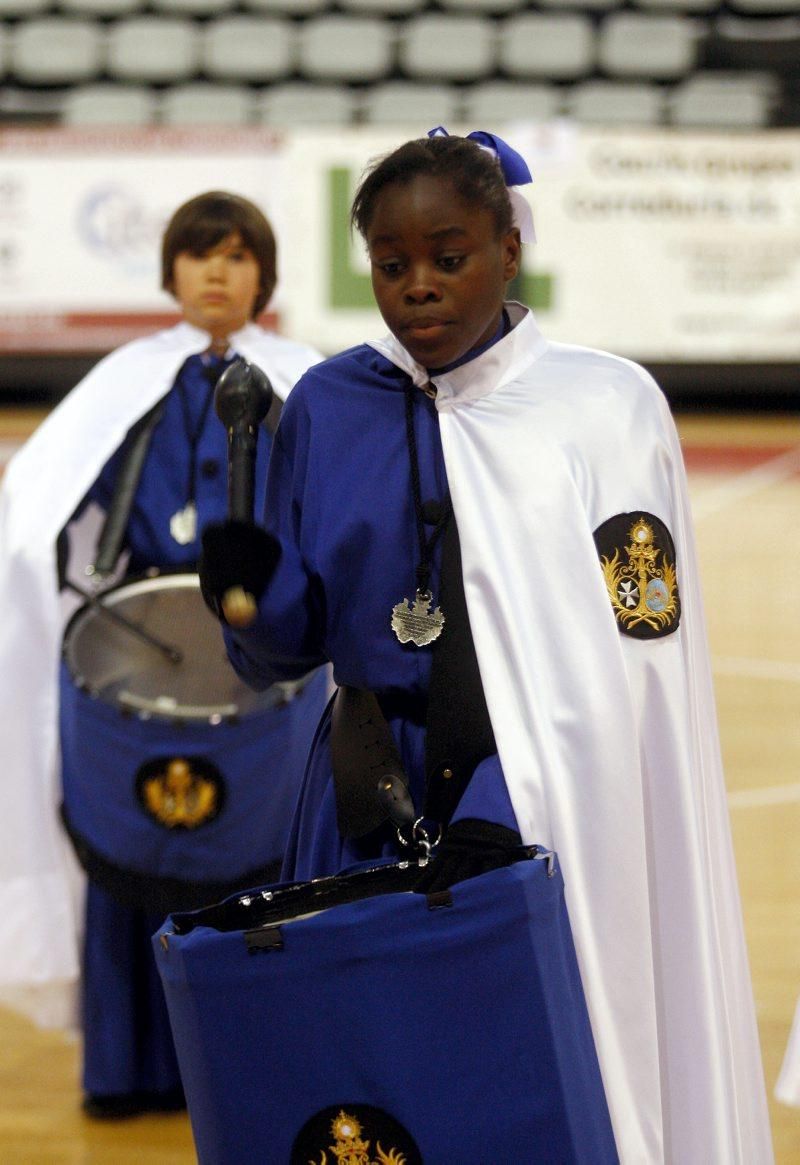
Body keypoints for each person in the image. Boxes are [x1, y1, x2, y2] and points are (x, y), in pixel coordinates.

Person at [199, 134, 773, 1161]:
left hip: (535, 807)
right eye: (389, 262)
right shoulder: (329, 407)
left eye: (448, 255)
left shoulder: (601, 408)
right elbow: (290, 650)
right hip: (362, 799)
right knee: (371, 1091)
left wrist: (508, 804)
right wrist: (248, 601)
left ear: (510, 250)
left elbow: (632, 656)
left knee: (516, 1088)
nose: (416, 286)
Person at [0, 191, 327, 1118]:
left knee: (264, 848)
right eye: (198, 254)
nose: (217, 271)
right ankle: (131, 1067)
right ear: (170, 272)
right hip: (140, 653)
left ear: (265, 273)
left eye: (235, 255)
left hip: (268, 649)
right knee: (132, 843)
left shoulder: (304, 381)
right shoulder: (122, 382)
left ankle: (258, 1064)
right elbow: (47, 499)